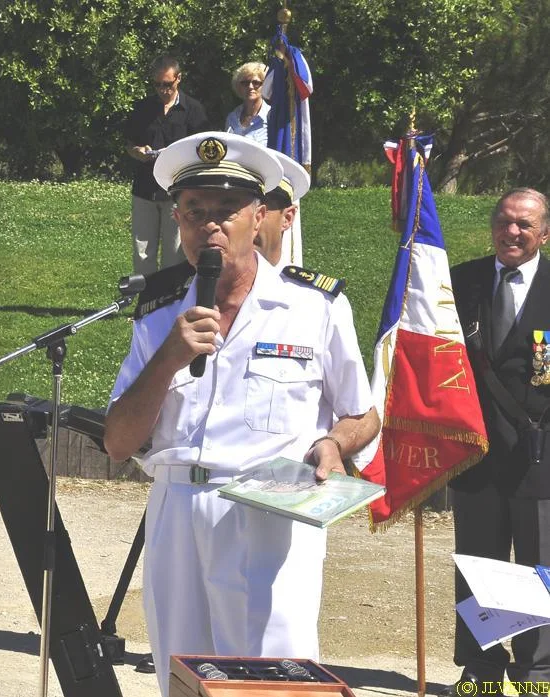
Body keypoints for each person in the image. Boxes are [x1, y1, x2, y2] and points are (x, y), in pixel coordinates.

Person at [103, 132, 380, 697]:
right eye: (193, 211)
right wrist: (170, 357)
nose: (209, 225)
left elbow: (363, 416)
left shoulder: (314, 306)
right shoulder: (158, 314)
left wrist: (334, 444)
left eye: (226, 211)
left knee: (271, 679)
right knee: (180, 675)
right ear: (177, 220)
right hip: (177, 507)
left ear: (258, 218)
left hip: (269, 514)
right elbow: (117, 441)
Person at [448, 187, 550, 692]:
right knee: (479, 563)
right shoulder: (460, 281)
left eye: (524, 225)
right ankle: (481, 668)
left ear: (544, 234)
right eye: (504, 221)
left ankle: (535, 671)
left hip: (541, 452)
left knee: (538, 565)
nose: (512, 232)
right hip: (476, 448)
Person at [124, 55, 209, 275]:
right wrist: (137, 152)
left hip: (177, 192)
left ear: (178, 79)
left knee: (174, 254)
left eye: (168, 85)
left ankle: (170, 304)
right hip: (145, 189)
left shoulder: (193, 110)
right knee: (142, 253)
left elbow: (202, 152)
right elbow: (129, 143)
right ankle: (146, 303)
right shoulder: (143, 108)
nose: (163, 90)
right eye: (158, 85)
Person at [255, 149, 309, 268]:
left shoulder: (295, 287)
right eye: (233, 211)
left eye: (260, 211)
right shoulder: (208, 285)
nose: (248, 221)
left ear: (287, 218)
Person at [224, 62, 270, 144]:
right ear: (238, 86)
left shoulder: (272, 117)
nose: (250, 87)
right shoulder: (232, 118)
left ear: (265, 85)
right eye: (245, 83)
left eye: (256, 83)